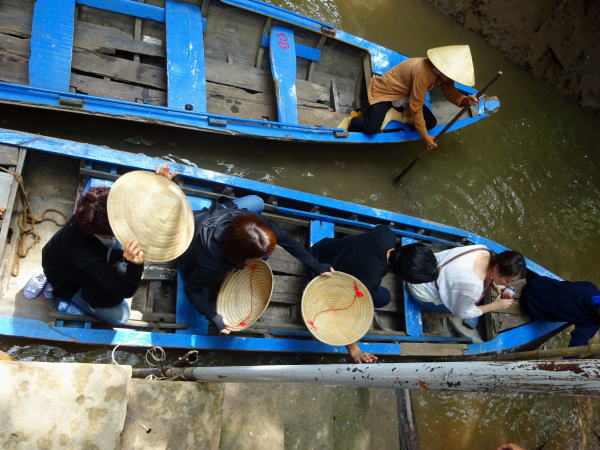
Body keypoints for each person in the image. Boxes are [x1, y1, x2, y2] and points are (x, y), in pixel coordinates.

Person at [40, 165, 182, 325]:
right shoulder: (83, 254)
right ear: (106, 233)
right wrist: (134, 265)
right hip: (68, 279)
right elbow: (125, 290)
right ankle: (59, 289)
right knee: (121, 315)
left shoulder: (103, 204)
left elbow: (136, 198)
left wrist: (161, 187)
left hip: (68, 254)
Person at [179, 195, 333, 335]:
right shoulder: (213, 266)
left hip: (212, 218)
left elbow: (285, 239)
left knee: (257, 201)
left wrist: (316, 265)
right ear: (239, 256)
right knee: (197, 278)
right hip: (191, 241)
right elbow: (192, 290)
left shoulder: (252, 222)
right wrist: (214, 317)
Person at [310, 224, 438, 363]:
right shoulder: (370, 280)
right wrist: (355, 351)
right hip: (319, 270)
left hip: (322, 247)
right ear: (402, 277)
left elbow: (379, 227)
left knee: (382, 294)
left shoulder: (387, 234)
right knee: (384, 298)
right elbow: (338, 312)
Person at [341, 45, 478, 149]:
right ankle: (350, 120)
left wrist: (465, 100)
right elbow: (416, 107)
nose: (451, 78)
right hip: (387, 93)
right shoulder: (423, 72)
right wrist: (425, 137)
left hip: (405, 96)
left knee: (431, 123)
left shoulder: (443, 75)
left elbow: (450, 91)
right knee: (370, 128)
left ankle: (394, 114)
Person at [406, 245, 526, 322]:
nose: (508, 285)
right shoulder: (472, 288)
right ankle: (428, 316)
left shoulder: (483, 250)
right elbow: (462, 313)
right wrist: (494, 306)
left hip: (420, 270)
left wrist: (495, 284)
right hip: (420, 290)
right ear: (497, 268)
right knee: (468, 306)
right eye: (508, 281)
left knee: (468, 299)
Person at [520, 276, 600, 348]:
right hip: (529, 305)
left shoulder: (591, 287)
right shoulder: (590, 325)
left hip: (536, 283)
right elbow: (576, 345)